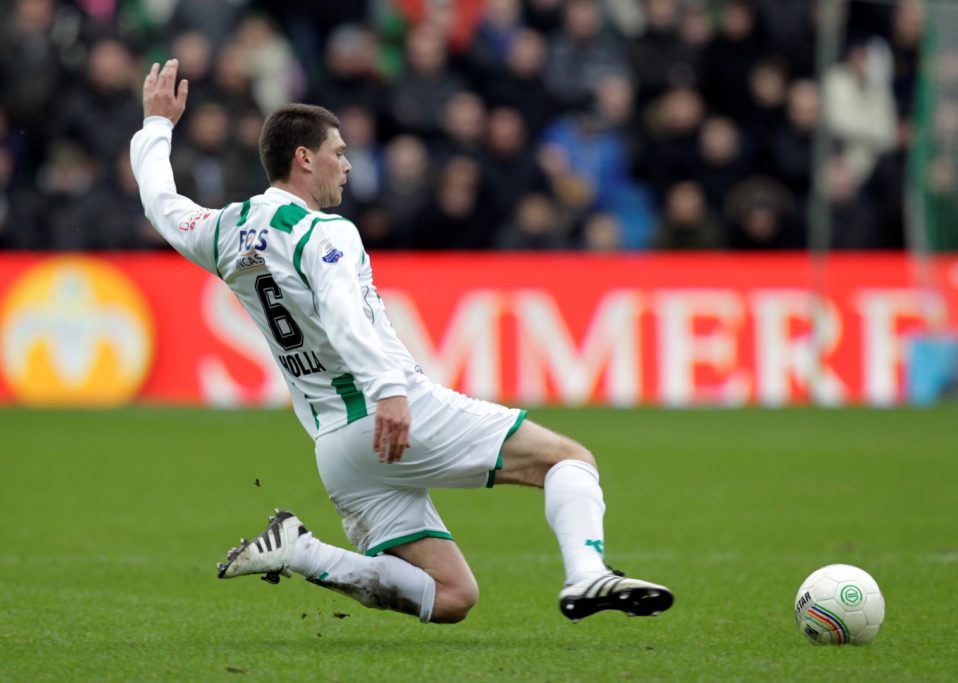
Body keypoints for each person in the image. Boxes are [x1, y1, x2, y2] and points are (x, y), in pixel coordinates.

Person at [130, 60, 673, 624]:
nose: (347, 165)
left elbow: (159, 203)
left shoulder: (224, 231)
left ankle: (302, 551)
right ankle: (587, 574)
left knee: (452, 596)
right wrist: (388, 390)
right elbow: (344, 316)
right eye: (339, 152)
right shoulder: (323, 232)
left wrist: (156, 126)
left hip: (335, 447)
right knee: (567, 459)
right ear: (304, 158)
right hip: (391, 411)